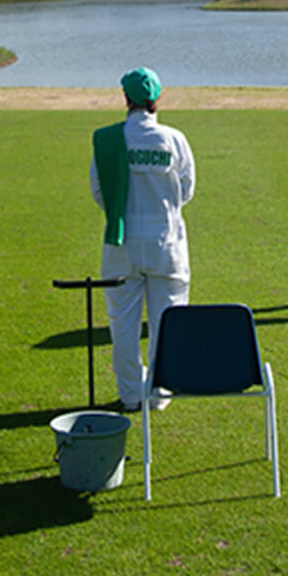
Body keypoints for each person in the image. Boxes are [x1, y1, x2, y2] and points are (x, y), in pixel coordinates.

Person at [89, 67, 196, 411]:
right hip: (167, 242)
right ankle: (160, 392)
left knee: (123, 323)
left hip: (121, 241)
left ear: (126, 98)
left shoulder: (107, 140)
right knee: (169, 320)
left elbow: (99, 191)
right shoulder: (175, 139)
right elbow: (187, 189)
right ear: (157, 98)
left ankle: (131, 394)